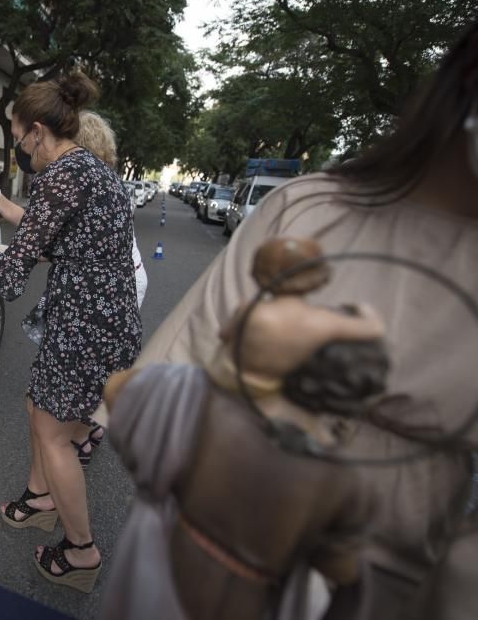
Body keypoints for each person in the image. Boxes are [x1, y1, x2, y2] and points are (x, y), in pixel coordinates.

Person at [115, 18, 478, 615]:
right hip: (195, 549)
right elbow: (176, 370)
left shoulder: (337, 490)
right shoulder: (311, 207)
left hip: (395, 582)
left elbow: (143, 400)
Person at [0, 71, 142, 592]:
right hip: (106, 323)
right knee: (38, 409)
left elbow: (17, 266)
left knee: (54, 435)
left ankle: (81, 553)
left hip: (83, 329)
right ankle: (42, 501)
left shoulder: (63, 175)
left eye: (21, 140)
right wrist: (2, 254)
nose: (22, 151)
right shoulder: (93, 170)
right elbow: (58, 245)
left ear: (39, 131)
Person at [100, 237, 387, 619]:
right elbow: (344, 570)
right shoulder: (340, 481)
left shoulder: (187, 402)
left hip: (160, 577)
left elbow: (119, 393)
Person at [0, 111, 148, 467]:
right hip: (111, 298)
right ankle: (75, 441)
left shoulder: (74, 178)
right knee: (57, 398)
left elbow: (37, 236)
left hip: (96, 303)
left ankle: (64, 464)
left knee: (53, 419)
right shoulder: (102, 182)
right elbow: (40, 226)